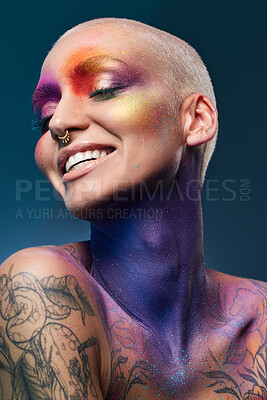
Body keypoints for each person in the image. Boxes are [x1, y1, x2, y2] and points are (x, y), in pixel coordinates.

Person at [0, 17, 266, 400]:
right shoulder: (40, 290)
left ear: (196, 119)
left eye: (104, 89)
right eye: (44, 118)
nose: (57, 123)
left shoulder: (261, 319)